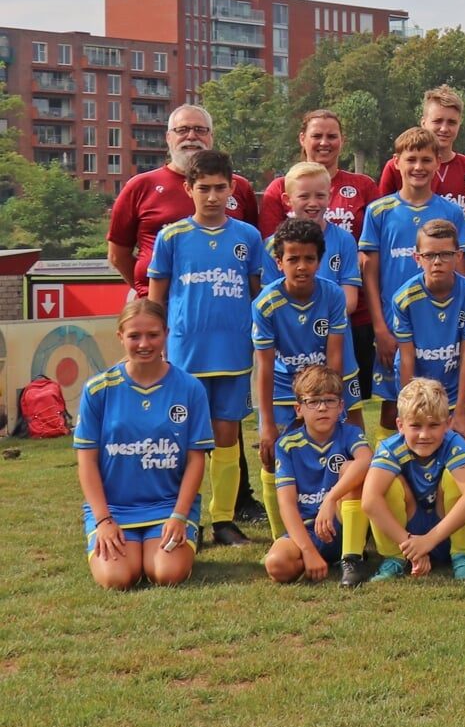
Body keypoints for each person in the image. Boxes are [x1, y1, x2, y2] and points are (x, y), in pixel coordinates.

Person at [146, 149, 265, 547]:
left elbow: (256, 296)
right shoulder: (172, 236)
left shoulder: (248, 236)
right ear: (188, 189)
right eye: (204, 189)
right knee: (182, 439)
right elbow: (156, 299)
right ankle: (183, 517)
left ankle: (224, 521)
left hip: (232, 353)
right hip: (186, 355)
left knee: (227, 438)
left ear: (232, 188)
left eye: (220, 188)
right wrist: (157, 345)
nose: (212, 196)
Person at [74, 299, 210, 590]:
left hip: (168, 507)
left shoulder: (190, 388)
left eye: (153, 335)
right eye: (134, 336)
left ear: (166, 333)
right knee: (118, 578)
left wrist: (179, 515)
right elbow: (86, 461)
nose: (144, 344)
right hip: (115, 509)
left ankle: (165, 542)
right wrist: (104, 521)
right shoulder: (98, 390)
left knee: (166, 574)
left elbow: (197, 460)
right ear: (120, 337)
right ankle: (129, 546)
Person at [360, 127, 465, 438]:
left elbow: (459, 270)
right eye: (411, 159)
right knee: (394, 405)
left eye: (426, 159)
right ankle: (393, 474)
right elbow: (369, 272)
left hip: (440, 329)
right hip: (394, 329)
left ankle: (442, 478)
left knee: (441, 402)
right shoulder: (380, 211)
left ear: (437, 162)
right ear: (396, 162)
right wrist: (380, 328)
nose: (418, 167)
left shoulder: (450, 212)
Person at [250, 218, 349, 539]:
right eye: (293, 259)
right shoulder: (266, 303)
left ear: (319, 260)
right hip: (282, 388)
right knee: (272, 458)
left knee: (336, 454)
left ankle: (335, 527)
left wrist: (331, 402)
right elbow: (264, 367)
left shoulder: (332, 295)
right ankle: (284, 536)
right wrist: (266, 423)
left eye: (309, 259)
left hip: (323, 386)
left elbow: (334, 357)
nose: (302, 266)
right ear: (279, 262)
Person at [107, 103, 260, 298]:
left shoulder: (239, 187)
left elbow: (252, 247)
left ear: (211, 137)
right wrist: (146, 290)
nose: (191, 136)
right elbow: (117, 255)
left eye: (200, 130)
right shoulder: (139, 186)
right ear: (168, 138)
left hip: (226, 304)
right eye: (182, 130)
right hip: (160, 309)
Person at [262, 163, 363, 415]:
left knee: (347, 429)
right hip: (289, 360)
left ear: (330, 196)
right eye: (304, 196)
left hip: (336, 349)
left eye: (320, 195)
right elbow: (271, 303)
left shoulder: (344, 240)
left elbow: (348, 299)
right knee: (289, 438)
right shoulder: (272, 246)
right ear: (287, 199)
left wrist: (319, 314)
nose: (313, 202)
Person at [361, 377, 465, 580]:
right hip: (405, 534)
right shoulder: (390, 448)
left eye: (433, 425)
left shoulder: (454, 444)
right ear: (400, 425)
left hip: (444, 529)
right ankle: (394, 557)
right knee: (387, 486)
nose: (424, 434)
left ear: (447, 424)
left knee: (457, 480)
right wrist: (410, 545)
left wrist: (428, 541)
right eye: (416, 426)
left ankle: (463, 555)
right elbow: (369, 501)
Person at [263, 367, 373, 584]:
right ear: (299, 409)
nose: (322, 408)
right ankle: (316, 558)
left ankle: (350, 558)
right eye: (313, 402)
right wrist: (308, 550)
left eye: (330, 401)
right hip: (307, 529)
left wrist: (330, 499)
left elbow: (366, 460)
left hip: (340, 523)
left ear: (341, 407)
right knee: (277, 564)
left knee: (352, 469)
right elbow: (286, 504)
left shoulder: (350, 433)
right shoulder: (287, 445)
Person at [391, 220, 465, 446]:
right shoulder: (404, 299)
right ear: (417, 258)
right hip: (418, 390)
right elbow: (406, 358)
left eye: (445, 254)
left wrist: (461, 412)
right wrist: (410, 408)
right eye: (429, 255)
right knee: (419, 450)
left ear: (458, 256)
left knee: (460, 448)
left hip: (453, 392)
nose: (437, 262)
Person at [257, 108, 379, 238]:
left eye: (331, 136)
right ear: (302, 139)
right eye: (317, 136)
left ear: (342, 140)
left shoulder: (363, 186)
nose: (324, 143)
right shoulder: (280, 187)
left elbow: (378, 240)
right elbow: (270, 244)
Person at [376, 85, 465, 210]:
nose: (444, 129)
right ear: (423, 123)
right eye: (438, 121)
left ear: (459, 125)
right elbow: (383, 217)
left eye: (451, 122)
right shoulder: (397, 167)